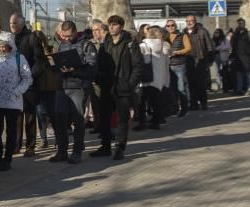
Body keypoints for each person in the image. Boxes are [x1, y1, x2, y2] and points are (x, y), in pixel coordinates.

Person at [92, 15, 143, 161]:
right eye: (110, 25)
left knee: (122, 119)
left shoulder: (130, 43)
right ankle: (105, 146)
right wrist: (98, 79)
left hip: (123, 87)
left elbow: (138, 66)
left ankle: (120, 147)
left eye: (115, 25)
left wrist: (129, 84)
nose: (112, 27)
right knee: (104, 117)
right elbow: (100, 62)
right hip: (107, 86)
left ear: (121, 26)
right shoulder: (106, 42)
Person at [49, 21, 96, 164]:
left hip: (79, 87)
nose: (66, 39)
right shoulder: (61, 44)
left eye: (69, 36)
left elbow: (92, 68)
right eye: (63, 36)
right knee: (60, 118)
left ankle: (77, 151)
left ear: (75, 32)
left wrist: (74, 70)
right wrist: (54, 65)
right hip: (62, 86)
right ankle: (62, 151)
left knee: (78, 119)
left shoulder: (87, 45)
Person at [0, 31, 33, 171]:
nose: (1, 49)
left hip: (13, 101)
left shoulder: (19, 58)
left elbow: (27, 78)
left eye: (4, 46)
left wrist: (17, 91)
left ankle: (7, 159)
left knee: (11, 130)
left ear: (10, 45)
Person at [9, 14, 47, 157]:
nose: (12, 25)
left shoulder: (31, 37)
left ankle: (30, 146)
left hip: (29, 84)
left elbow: (40, 61)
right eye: (10, 23)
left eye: (14, 23)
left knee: (30, 116)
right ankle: (16, 145)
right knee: (16, 116)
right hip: (13, 83)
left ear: (21, 23)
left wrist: (30, 76)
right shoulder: (9, 38)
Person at [136, 26, 170, 131]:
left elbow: (137, 61)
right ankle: (156, 122)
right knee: (156, 101)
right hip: (158, 79)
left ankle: (142, 122)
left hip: (145, 79)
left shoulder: (142, 46)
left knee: (142, 102)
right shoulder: (163, 46)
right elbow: (166, 63)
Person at [185, 15, 215, 111]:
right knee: (191, 84)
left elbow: (210, 46)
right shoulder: (184, 32)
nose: (190, 23)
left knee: (201, 84)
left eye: (192, 21)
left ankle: (203, 103)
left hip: (200, 60)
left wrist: (210, 60)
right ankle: (194, 104)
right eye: (188, 21)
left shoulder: (202, 31)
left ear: (195, 21)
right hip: (188, 61)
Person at [165, 20, 191, 116]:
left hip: (180, 64)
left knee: (181, 87)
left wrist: (178, 52)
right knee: (171, 89)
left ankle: (184, 109)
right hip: (168, 65)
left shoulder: (182, 35)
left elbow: (188, 48)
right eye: (168, 26)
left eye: (172, 25)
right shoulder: (165, 37)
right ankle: (174, 108)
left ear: (176, 26)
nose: (171, 27)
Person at [231, 19, 250, 95]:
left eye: (241, 23)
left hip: (247, 57)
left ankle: (249, 88)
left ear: (244, 24)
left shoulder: (249, 34)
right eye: (239, 23)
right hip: (238, 57)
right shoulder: (235, 34)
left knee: (248, 73)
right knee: (239, 74)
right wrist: (232, 56)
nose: (240, 25)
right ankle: (239, 89)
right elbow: (233, 46)